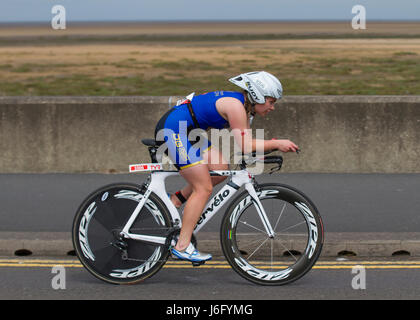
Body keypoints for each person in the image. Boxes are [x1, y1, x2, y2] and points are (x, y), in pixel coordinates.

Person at [154, 71, 299, 263]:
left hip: (188, 130)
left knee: (220, 168)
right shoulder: (236, 107)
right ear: (257, 95)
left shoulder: (244, 109)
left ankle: (177, 200)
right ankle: (182, 246)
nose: (272, 107)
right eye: (271, 101)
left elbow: (247, 147)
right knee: (203, 187)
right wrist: (277, 143)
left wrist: (266, 148)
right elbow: (246, 145)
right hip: (174, 129)